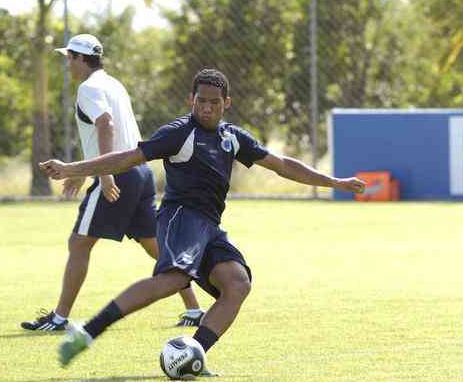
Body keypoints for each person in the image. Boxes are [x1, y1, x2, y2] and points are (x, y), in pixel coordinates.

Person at [39, 68, 365, 373]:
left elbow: (282, 165)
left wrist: (334, 182)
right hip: (181, 218)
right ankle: (88, 331)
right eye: (201, 101)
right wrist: (71, 168)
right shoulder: (179, 133)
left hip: (209, 226)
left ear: (226, 104)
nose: (207, 108)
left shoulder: (232, 138)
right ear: (191, 100)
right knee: (174, 279)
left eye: (214, 102)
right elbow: (127, 157)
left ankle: (192, 352)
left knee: (237, 284)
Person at [21, 34, 205, 332]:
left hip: (118, 173)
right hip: (139, 171)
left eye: (69, 57)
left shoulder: (88, 88)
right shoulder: (112, 83)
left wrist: (104, 175)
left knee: (79, 243)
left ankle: (59, 318)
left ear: (81, 58)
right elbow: (114, 133)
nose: (67, 63)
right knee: (156, 246)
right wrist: (83, 173)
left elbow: (105, 125)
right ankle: (195, 310)